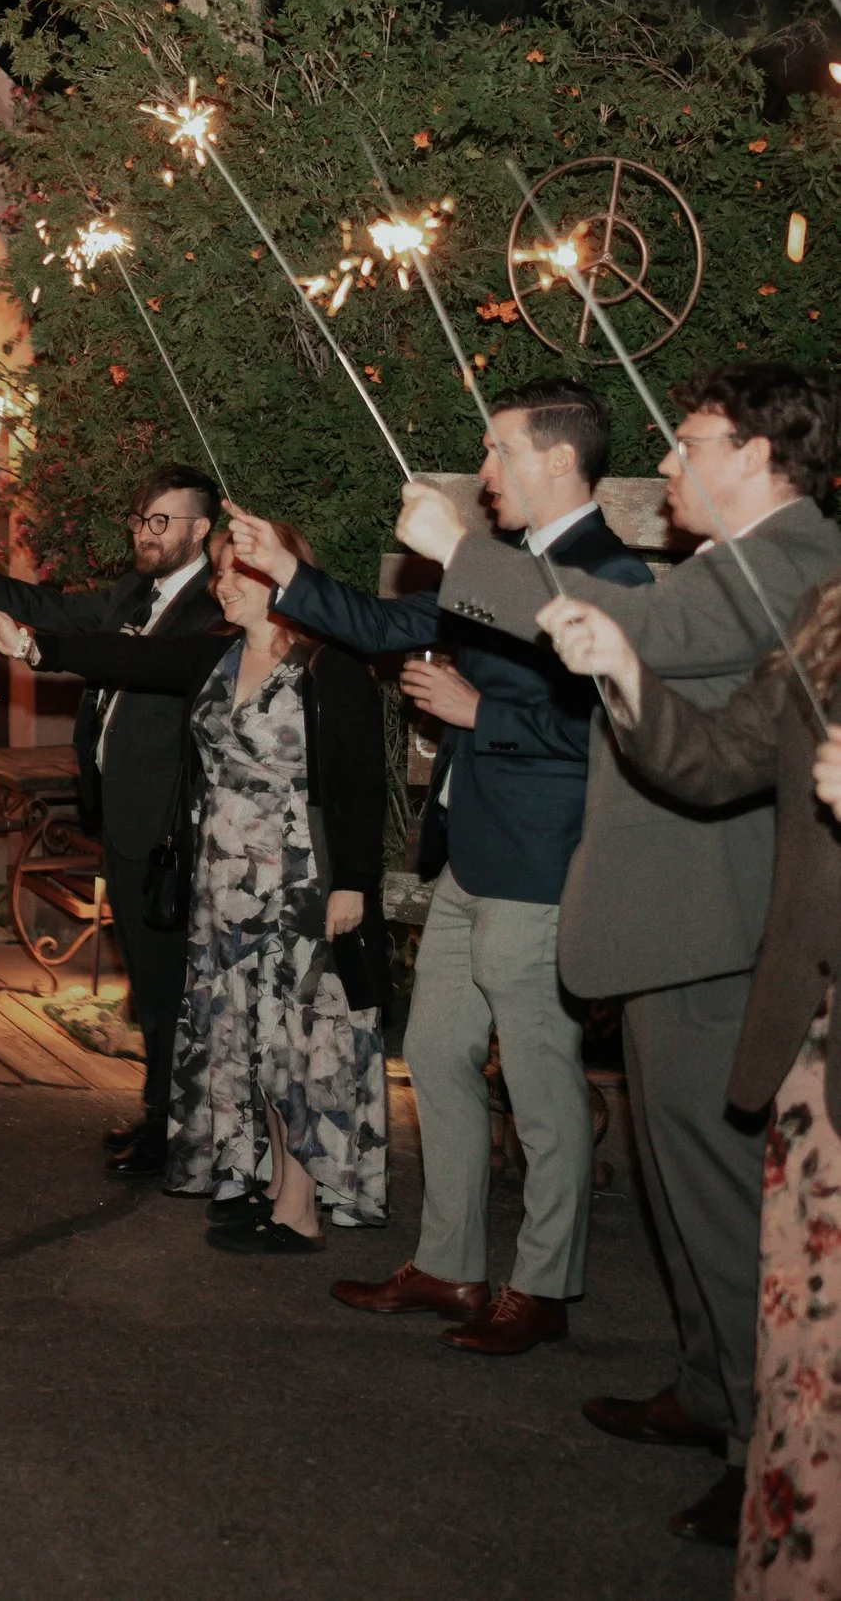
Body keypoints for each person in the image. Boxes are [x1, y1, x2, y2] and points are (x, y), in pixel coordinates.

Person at [396, 363, 841, 1546]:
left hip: (717, 926)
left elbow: (654, 629)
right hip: (662, 918)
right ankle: (708, 1393)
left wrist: (466, 556)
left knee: (715, 1196)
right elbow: (691, 728)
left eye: (690, 441)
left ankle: (757, 1452)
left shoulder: (794, 561)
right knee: (676, 1184)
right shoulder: (740, 566)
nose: (670, 464)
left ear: (755, 452)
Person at [227, 379, 653, 1355]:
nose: (483, 472)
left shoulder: (613, 576)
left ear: (555, 457)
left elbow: (606, 729)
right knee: (441, 1054)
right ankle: (451, 1265)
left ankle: (542, 1283)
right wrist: (284, 569)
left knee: (539, 1082)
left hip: (542, 864)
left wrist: (478, 714)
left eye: (498, 452)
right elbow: (382, 629)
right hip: (467, 856)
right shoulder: (494, 564)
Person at [538, 582, 841, 1598]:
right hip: (813, 1047)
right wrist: (622, 665)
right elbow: (711, 761)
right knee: (808, 1342)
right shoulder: (826, 620)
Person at [0, 520, 387, 1250]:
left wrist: (353, 882)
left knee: (300, 1044)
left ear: (282, 574)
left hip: (300, 884)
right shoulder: (218, 655)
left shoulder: (334, 666)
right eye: (221, 573)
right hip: (223, 884)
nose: (221, 584)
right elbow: (124, 655)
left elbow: (361, 783)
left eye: (237, 572)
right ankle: (271, 1183)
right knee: (253, 1040)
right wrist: (34, 645)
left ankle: (300, 1207)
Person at [0, 464, 223, 1180]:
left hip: (172, 827)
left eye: (162, 522)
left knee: (171, 978)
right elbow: (59, 607)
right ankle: (161, 1115)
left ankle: (185, 1128)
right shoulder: (133, 592)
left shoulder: (215, 606)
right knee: (147, 980)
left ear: (202, 530)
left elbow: (135, 661)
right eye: (140, 520)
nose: (145, 534)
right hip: (121, 817)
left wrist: (32, 649)